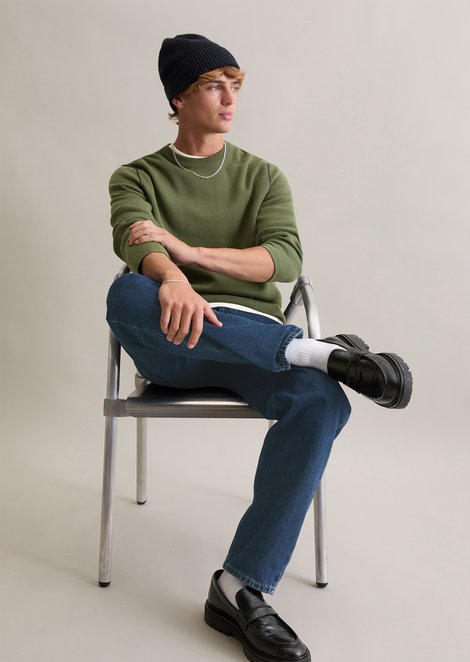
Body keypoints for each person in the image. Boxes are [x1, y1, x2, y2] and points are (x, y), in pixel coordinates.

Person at [106, 33, 412, 662]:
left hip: (255, 349)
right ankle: (318, 352)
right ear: (178, 97)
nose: (230, 98)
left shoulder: (262, 176)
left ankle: (239, 586)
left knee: (323, 402)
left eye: (235, 85)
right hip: (174, 347)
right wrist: (172, 276)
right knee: (128, 294)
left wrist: (191, 252)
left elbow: (282, 260)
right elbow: (136, 240)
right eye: (213, 85)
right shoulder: (136, 176)